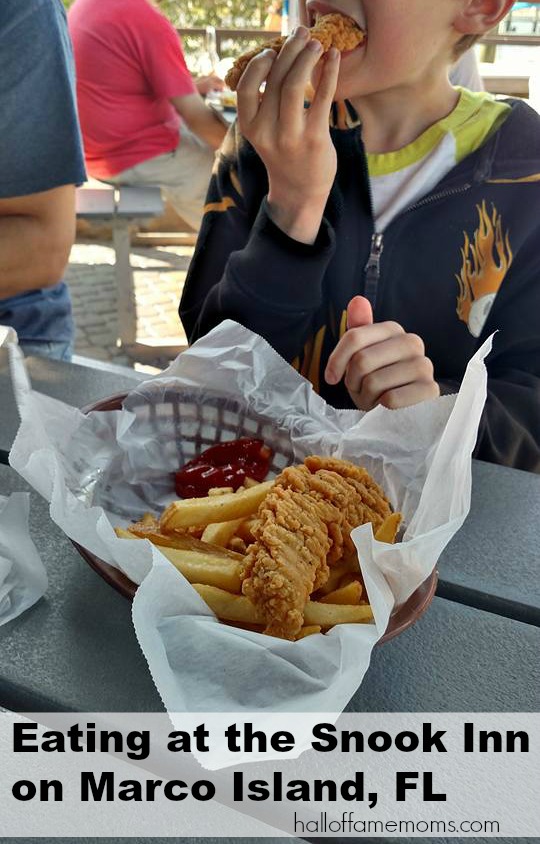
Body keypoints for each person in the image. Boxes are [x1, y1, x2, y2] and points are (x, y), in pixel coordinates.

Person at [179, 0, 540, 473]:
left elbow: (529, 411)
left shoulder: (526, 171)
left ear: (481, 7)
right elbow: (209, 376)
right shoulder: (261, 139)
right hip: (263, 500)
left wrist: (438, 413)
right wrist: (291, 210)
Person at [68, 0, 227, 231]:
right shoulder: (144, 19)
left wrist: (190, 85)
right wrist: (256, 150)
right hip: (130, 154)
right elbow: (198, 120)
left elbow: (119, 79)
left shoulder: (86, 5)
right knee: (228, 172)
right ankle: (239, 258)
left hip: (92, 152)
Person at [0, 0, 86, 362]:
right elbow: (191, 109)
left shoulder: (23, 10)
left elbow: (42, 248)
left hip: (14, 327)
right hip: (122, 157)